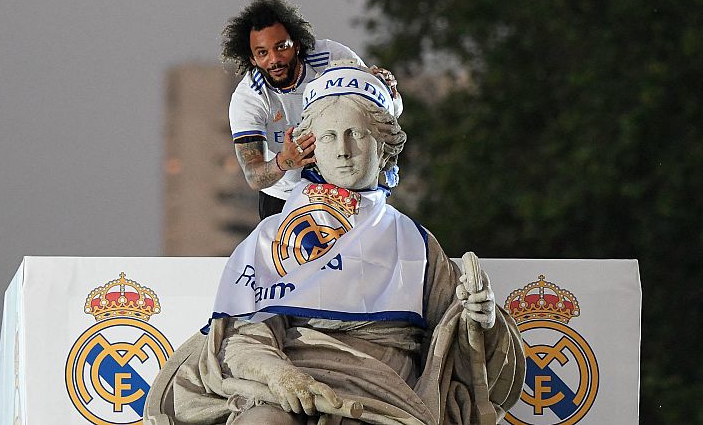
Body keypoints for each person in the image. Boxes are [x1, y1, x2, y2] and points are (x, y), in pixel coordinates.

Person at [145, 62, 524, 425]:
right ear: (311, 148)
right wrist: (278, 376)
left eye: (355, 134)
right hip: (288, 381)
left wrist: (482, 320)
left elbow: (458, 341)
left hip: (382, 396)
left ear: (384, 147)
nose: (342, 150)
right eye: (328, 137)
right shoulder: (271, 236)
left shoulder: (415, 242)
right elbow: (242, 334)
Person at [221, 0, 401, 219]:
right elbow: (253, 175)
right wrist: (285, 161)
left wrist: (387, 89)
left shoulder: (332, 58)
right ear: (253, 59)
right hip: (284, 197)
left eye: (281, 47)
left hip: (343, 186)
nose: (274, 59)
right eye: (262, 53)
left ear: (296, 44)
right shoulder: (249, 98)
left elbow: (384, 112)